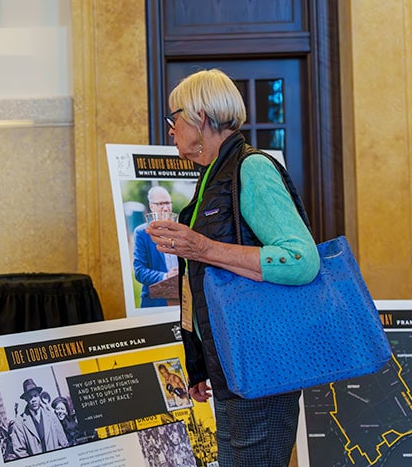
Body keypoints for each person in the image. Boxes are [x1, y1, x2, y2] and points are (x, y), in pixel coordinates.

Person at [146, 68, 320, 466]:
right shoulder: (212, 174)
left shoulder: (251, 169)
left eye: (175, 120)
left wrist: (203, 247)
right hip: (233, 366)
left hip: (260, 366)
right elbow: (202, 281)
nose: (171, 131)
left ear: (201, 116)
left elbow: (301, 260)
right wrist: (198, 363)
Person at [133, 186, 179, 307]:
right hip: (156, 302)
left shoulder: (180, 230)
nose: (165, 208)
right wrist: (166, 276)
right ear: (151, 206)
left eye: (168, 203)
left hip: (182, 299)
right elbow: (139, 271)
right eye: (161, 204)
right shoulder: (142, 233)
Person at [8, 379, 68, 458]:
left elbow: (64, 442)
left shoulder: (52, 416)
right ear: (26, 399)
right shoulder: (19, 423)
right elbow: (19, 451)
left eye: (35, 396)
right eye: (30, 397)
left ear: (39, 396)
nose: (33, 400)